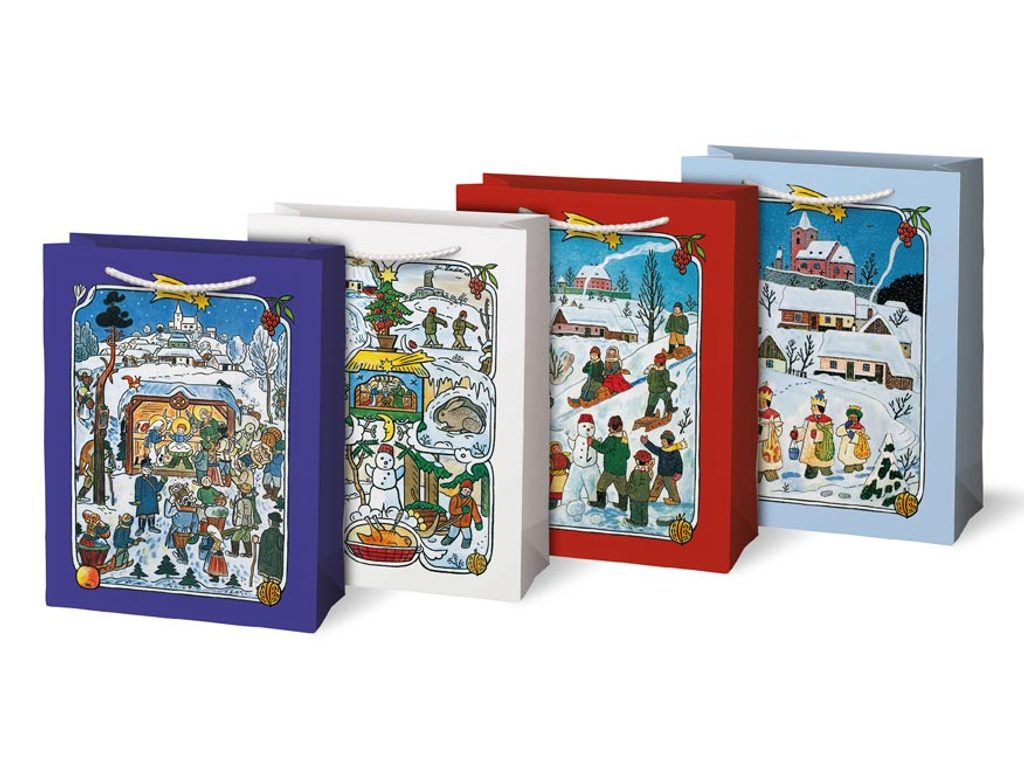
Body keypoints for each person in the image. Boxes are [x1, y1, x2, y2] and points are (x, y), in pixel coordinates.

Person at [790, 390, 835, 479]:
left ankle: (826, 471)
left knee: (825, 467)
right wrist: (796, 433)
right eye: (812, 406)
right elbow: (803, 430)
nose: (812, 408)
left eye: (814, 406)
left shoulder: (827, 421)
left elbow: (830, 433)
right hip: (810, 449)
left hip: (823, 448)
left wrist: (818, 434)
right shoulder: (808, 420)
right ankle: (811, 472)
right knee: (811, 466)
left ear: (820, 407)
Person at [590, 415, 630, 511]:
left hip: (610, 469)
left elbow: (603, 449)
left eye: (610, 427)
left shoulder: (611, 439)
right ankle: (623, 505)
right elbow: (627, 455)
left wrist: (593, 442)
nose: (609, 429)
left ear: (615, 427)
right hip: (621, 470)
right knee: (622, 489)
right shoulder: (624, 439)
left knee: (601, 486)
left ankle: (601, 503)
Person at [640, 430, 686, 504]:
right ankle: (652, 497)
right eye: (662, 441)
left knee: (671, 488)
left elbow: (679, 463)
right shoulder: (662, 450)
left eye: (664, 441)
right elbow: (654, 449)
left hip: (670, 475)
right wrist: (646, 442)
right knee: (657, 486)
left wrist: (679, 473)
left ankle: (675, 500)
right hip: (661, 473)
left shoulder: (675, 452)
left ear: (669, 442)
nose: (662, 443)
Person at [163, 483, 200, 565]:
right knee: (179, 545)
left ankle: (184, 558)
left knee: (181, 546)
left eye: (187, 500)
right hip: (177, 530)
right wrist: (169, 502)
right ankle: (181, 556)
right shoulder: (177, 509)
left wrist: (193, 531)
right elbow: (167, 514)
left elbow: (195, 521)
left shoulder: (191, 510)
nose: (185, 502)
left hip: (186, 531)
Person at [441, 479, 482, 549]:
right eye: (465, 489)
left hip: (466, 523)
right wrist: (461, 510)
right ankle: (448, 540)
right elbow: (452, 510)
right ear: (461, 489)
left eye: (469, 491)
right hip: (455, 521)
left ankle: (465, 545)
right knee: (452, 534)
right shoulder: (455, 498)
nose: (467, 492)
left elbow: (475, 512)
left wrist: (478, 522)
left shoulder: (471, 501)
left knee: (467, 535)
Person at [757, 384, 784, 483]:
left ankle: (771, 477)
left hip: (769, 443)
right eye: (759, 401)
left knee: (768, 467)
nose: (761, 403)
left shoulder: (773, 415)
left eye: (763, 401)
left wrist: (773, 428)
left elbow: (779, 429)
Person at [225, 483, 261, 558]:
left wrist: (237, 524)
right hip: (247, 524)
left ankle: (235, 553)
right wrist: (250, 524)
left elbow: (240, 514)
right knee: (246, 538)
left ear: (241, 493)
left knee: (235, 538)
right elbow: (250, 514)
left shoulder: (240, 502)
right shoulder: (249, 502)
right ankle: (249, 553)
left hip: (241, 524)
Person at [133, 458, 166, 535]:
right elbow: (137, 490)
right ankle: (141, 528)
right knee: (142, 515)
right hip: (143, 500)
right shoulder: (139, 479)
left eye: (148, 468)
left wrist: (162, 482)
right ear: (142, 469)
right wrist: (137, 500)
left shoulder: (154, 479)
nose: (147, 470)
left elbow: (157, 489)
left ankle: (151, 526)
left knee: (151, 514)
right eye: (145, 468)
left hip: (152, 500)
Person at [623, 450, 654, 526]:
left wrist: (628, 490)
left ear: (638, 461)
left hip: (636, 495)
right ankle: (644, 521)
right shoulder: (647, 471)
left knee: (635, 508)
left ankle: (635, 521)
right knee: (644, 508)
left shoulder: (637, 471)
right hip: (645, 495)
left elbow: (634, 483)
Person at [838, 405, 871, 473]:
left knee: (857, 459)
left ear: (858, 418)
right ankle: (849, 466)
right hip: (846, 448)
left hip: (857, 447)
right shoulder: (846, 426)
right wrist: (845, 427)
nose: (852, 419)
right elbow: (838, 432)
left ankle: (858, 465)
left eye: (854, 417)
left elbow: (861, 438)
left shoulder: (860, 428)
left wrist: (854, 436)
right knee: (847, 458)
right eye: (850, 417)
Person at [643, 352, 677, 418]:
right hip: (662, 391)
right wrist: (673, 385)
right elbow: (666, 382)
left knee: (651, 403)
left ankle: (648, 415)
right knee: (667, 398)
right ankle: (669, 409)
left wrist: (652, 385)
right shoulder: (665, 372)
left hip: (653, 391)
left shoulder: (652, 370)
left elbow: (648, 380)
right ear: (664, 363)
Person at [256, 511, 285, 584]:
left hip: (267, 563)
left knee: (267, 582)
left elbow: (264, 545)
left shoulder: (267, 533)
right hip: (275, 565)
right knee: (273, 582)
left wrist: (258, 540)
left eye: (269, 519)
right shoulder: (280, 535)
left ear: (272, 521)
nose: (268, 520)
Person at [548, 441, 571, 510]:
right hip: (554, 477)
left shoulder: (564, 457)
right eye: (554, 449)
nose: (556, 450)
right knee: (553, 493)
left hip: (563, 477)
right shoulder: (550, 458)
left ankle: (565, 504)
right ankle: (552, 504)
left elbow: (569, 465)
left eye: (558, 448)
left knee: (563, 491)